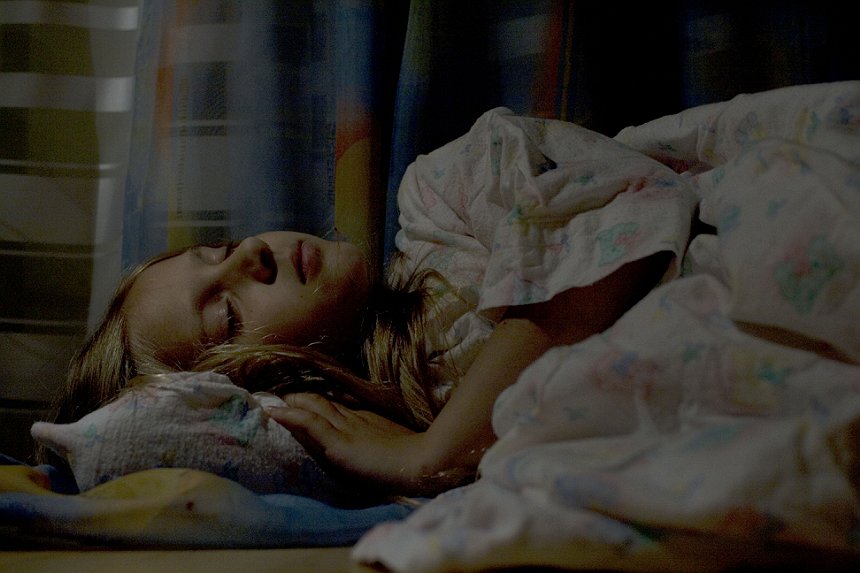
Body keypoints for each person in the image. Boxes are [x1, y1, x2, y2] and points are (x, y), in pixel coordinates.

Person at [43, 108, 689, 497]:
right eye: (228, 314)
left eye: (223, 248)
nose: (252, 255)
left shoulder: (441, 201)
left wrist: (431, 454)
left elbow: (622, 220)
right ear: (265, 386)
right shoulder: (363, 446)